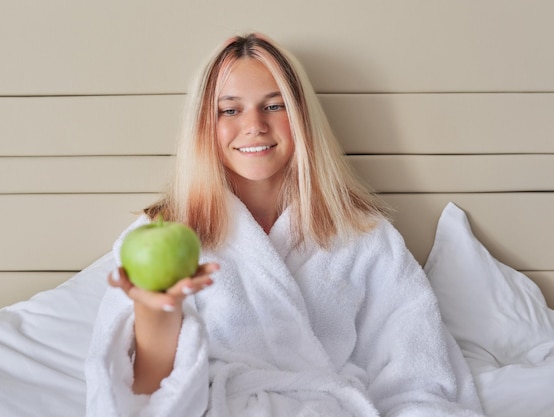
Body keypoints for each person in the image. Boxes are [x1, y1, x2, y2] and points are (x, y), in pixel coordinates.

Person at [85, 33, 484, 417]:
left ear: (302, 117)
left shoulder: (364, 235)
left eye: (275, 106)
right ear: (205, 125)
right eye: (230, 109)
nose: (254, 124)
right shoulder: (159, 235)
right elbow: (139, 399)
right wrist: (159, 312)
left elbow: (417, 375)